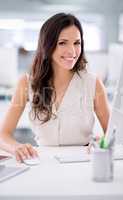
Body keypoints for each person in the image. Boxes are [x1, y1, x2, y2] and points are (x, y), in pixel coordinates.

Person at [0, 13, 110, 162]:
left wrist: (101, 142)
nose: (72, 51)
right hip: (43, 163)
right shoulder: (27, 83)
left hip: (83, 164)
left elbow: (113, 134)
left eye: (77, 43)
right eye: (63, 43)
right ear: (48, 44)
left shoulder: (93, 83)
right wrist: (16, 147)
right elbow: (3, 134)